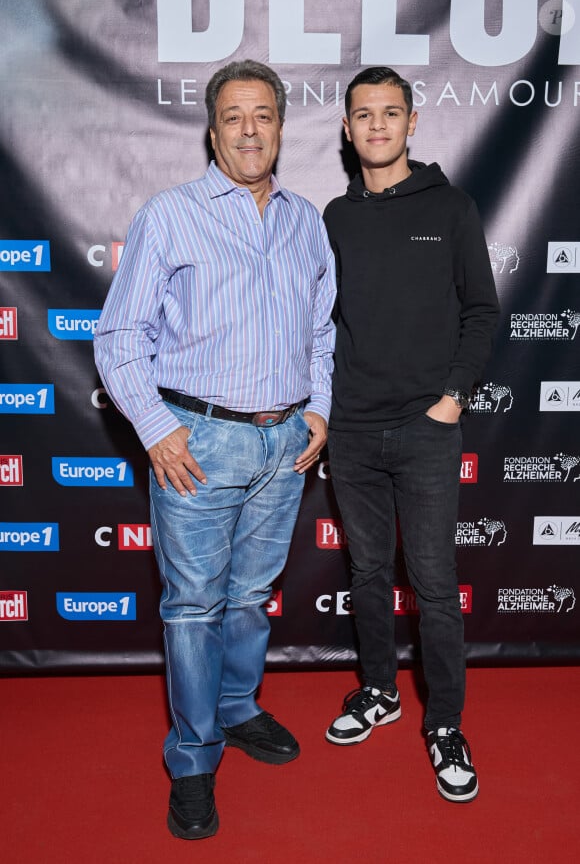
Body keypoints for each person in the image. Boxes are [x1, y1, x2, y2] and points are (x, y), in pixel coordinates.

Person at [94, 59, 336, 840]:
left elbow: (324, 331)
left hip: (285, 445)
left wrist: (321, 410)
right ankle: (194, 759)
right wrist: (157, 428)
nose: (249, 130)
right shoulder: (171, 214)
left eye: (263, 114)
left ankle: (236, 709)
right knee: (194, 605)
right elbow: (119, 335)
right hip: (200, 441)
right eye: (233, 116)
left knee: (247, 596)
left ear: (280, 124)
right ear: (212, 127)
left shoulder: (307, 220)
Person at [323, 67, 499, 803]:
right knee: (366, 576)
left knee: (430, 586)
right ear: (346, 129)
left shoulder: (452, 206)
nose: (377, 127)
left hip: (427, 430)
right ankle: (379, 691)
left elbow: (482, 311)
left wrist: (452, 399)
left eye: (389, 113)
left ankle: (446, 723)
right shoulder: (332, 216)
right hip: (353, 431)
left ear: (413, 122)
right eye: (363, 115)